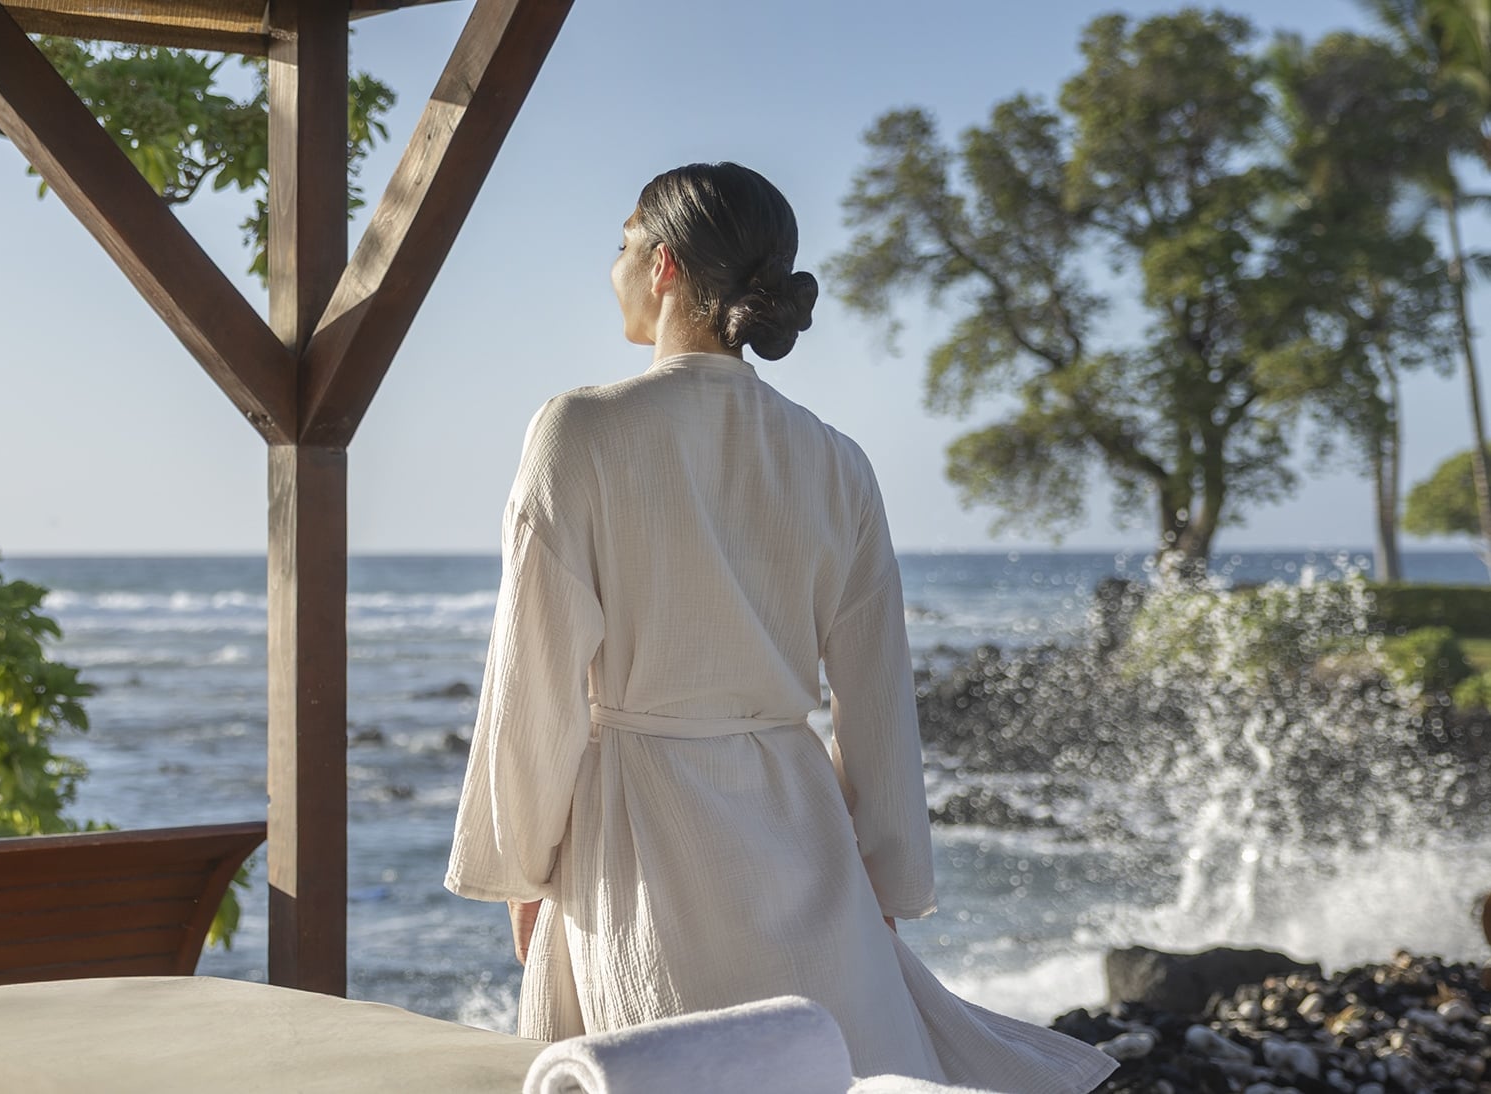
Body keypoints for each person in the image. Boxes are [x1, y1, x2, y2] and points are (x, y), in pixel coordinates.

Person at [443, 162, 1116, 1093]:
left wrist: (520, 868)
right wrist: (882, 879)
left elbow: (535, 676)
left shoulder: (579, 432)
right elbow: (877, 696)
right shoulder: (838, 460)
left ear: (664, 263)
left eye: (623, 243)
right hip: (805, 844)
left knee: (657, 1071)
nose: (614, 268)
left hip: (642, 834)